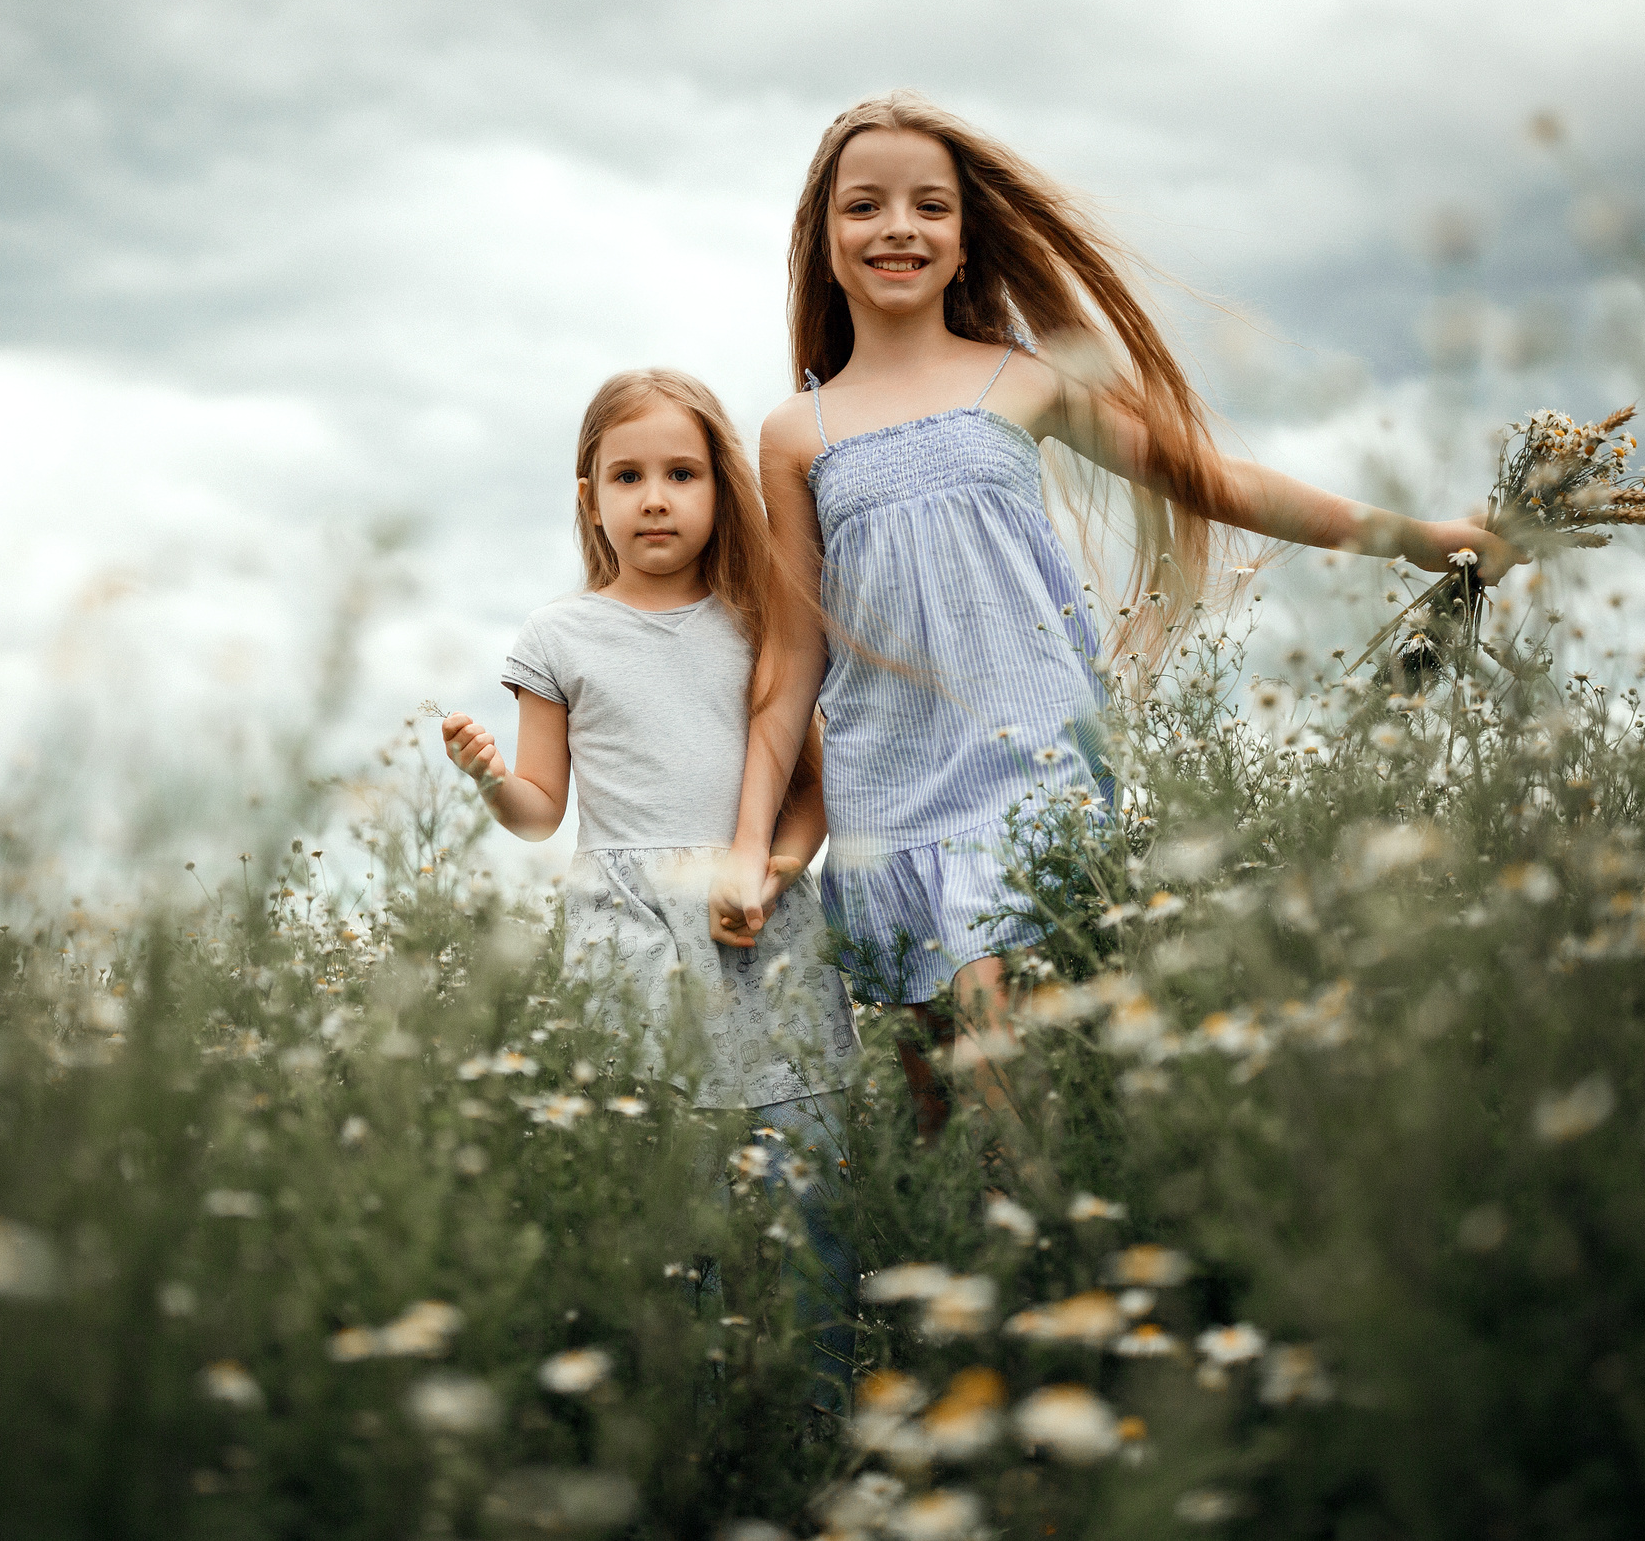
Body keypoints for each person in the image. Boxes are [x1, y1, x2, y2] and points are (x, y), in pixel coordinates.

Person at [709, 91, 1525, 1142]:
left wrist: (1414, 535)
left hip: (1026, 763)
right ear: (824, 245)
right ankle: (989, 1284)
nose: (898, 227)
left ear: (965, 244)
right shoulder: (796, 432)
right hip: (890, 793)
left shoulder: (1022, 384)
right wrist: (747, 845)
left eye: (929, 208)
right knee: (935, 1109)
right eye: (863, 207)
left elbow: (1208, 482)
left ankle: (1045, 1238)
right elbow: (790, 654)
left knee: (997, 1037)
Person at [438, 367, 865, 1396]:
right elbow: (544, 809)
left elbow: (809, 790)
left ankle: (818, 1419)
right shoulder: (559, 637)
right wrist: (493, 781)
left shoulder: (758, 624)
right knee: (662, 1202)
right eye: (626, 476)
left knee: (805, 1182)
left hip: (759, 931)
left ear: (720, 487)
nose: (655, 498)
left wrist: (769, 872)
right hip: (626, 940)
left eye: (680, 473)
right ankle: (681, 1425)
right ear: (589, 495)